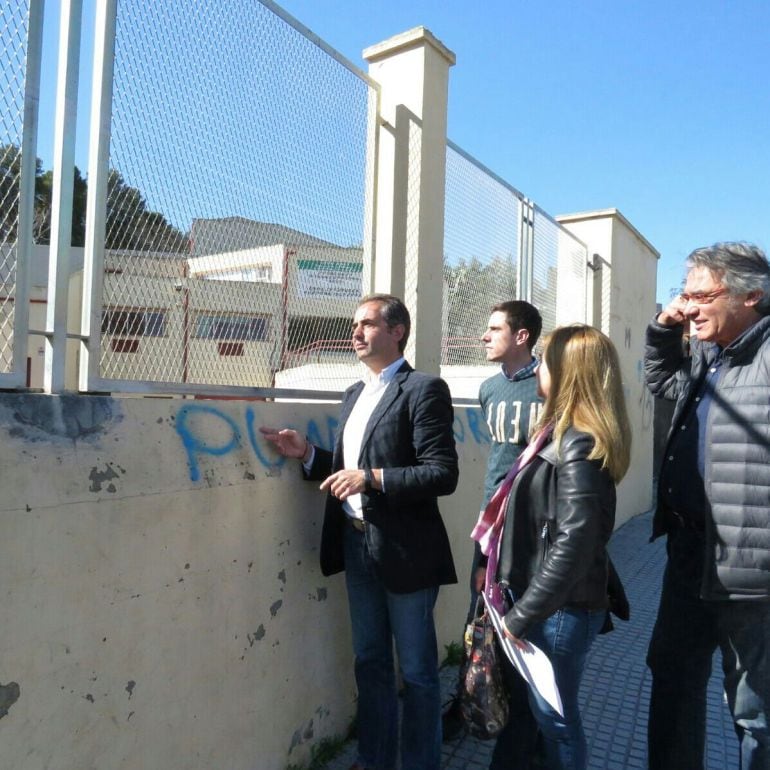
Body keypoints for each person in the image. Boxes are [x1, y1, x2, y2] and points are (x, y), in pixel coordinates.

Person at [260, 293, 458, 770]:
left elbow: (442, 474)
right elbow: (349, 468)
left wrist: (372, 478)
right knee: (369, 662)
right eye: (355, 324)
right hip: (357, 543)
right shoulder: (354, 393)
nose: (356, 332)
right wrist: (307, 453)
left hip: (406, 551)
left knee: (416, 672)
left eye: (367, 324)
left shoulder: (424, 389)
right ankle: (375, 759)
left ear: (397, 332)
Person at [475, 324, 631, 770]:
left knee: (557, 724)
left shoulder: (578, 441)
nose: (538, 368)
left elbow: (576, 540)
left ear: (568, 371)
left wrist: (522, 615)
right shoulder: (559, 433)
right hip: (549, 605)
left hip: (557, 612)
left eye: (545, 360)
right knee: (543, 719)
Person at [644, 242, 770, 770]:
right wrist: (661, 330)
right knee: (672, 677)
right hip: (689, 552)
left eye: (701, 295)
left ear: (751, 296)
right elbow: (660, 381)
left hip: (752, 567)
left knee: (753, 708)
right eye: (685, 293)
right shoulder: (705, 354)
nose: (687, 306)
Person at [442, 300, 543, 757]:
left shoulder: (548, 387)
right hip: (491, 527)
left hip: (535, 528)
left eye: (494, 328)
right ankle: (470, 704)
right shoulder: (487, 389)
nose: (484, 336)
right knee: (478, 620)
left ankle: (528, 722)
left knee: (524, 625)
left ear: (522, 336)